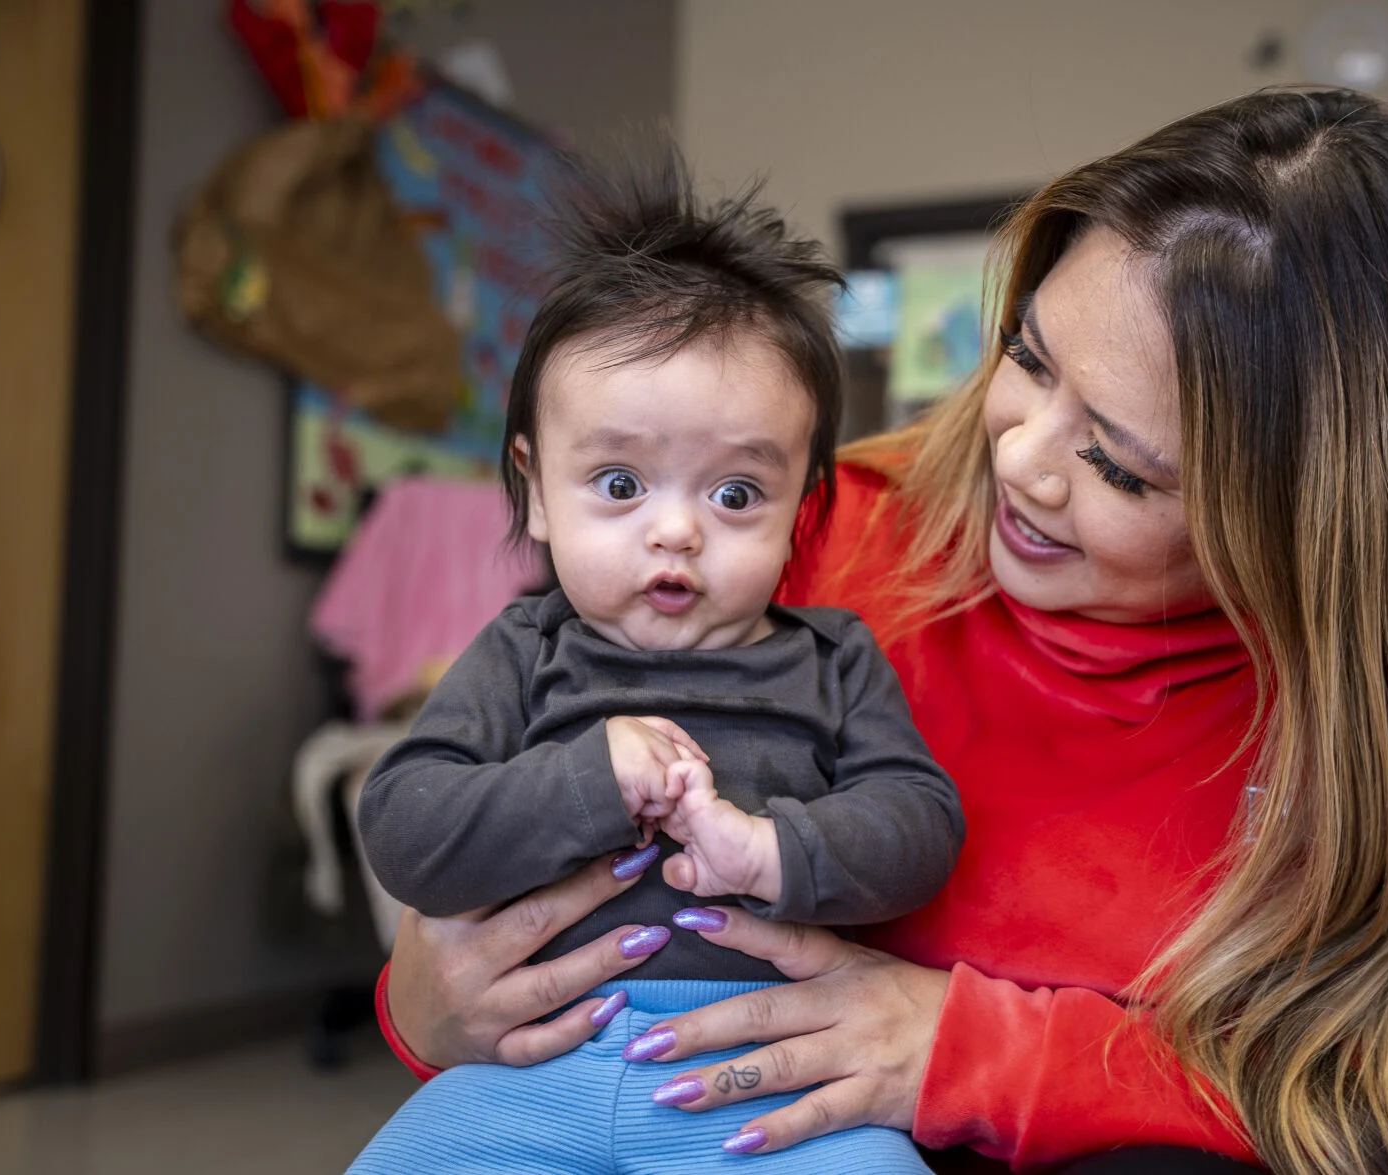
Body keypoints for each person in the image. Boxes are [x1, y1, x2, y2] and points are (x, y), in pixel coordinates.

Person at [371, 89, 1388, 1175]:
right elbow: (479, 831)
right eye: (1027, 355)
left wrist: (999, 1053)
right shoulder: (812, 532)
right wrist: (428, 998)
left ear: (1308, 529)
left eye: (1121, 467)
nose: (1018, 460)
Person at [348, 158, 964, 1174]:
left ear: (800, 512)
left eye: (733, 495)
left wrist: (771, 850)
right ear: (536, 490)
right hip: (526, 1075)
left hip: (766, 1077)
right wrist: (585, 780)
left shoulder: (832, 659)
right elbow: (406, 823)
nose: (675, 530)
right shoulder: (523, 649)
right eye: (621, 481)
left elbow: (919, 822)